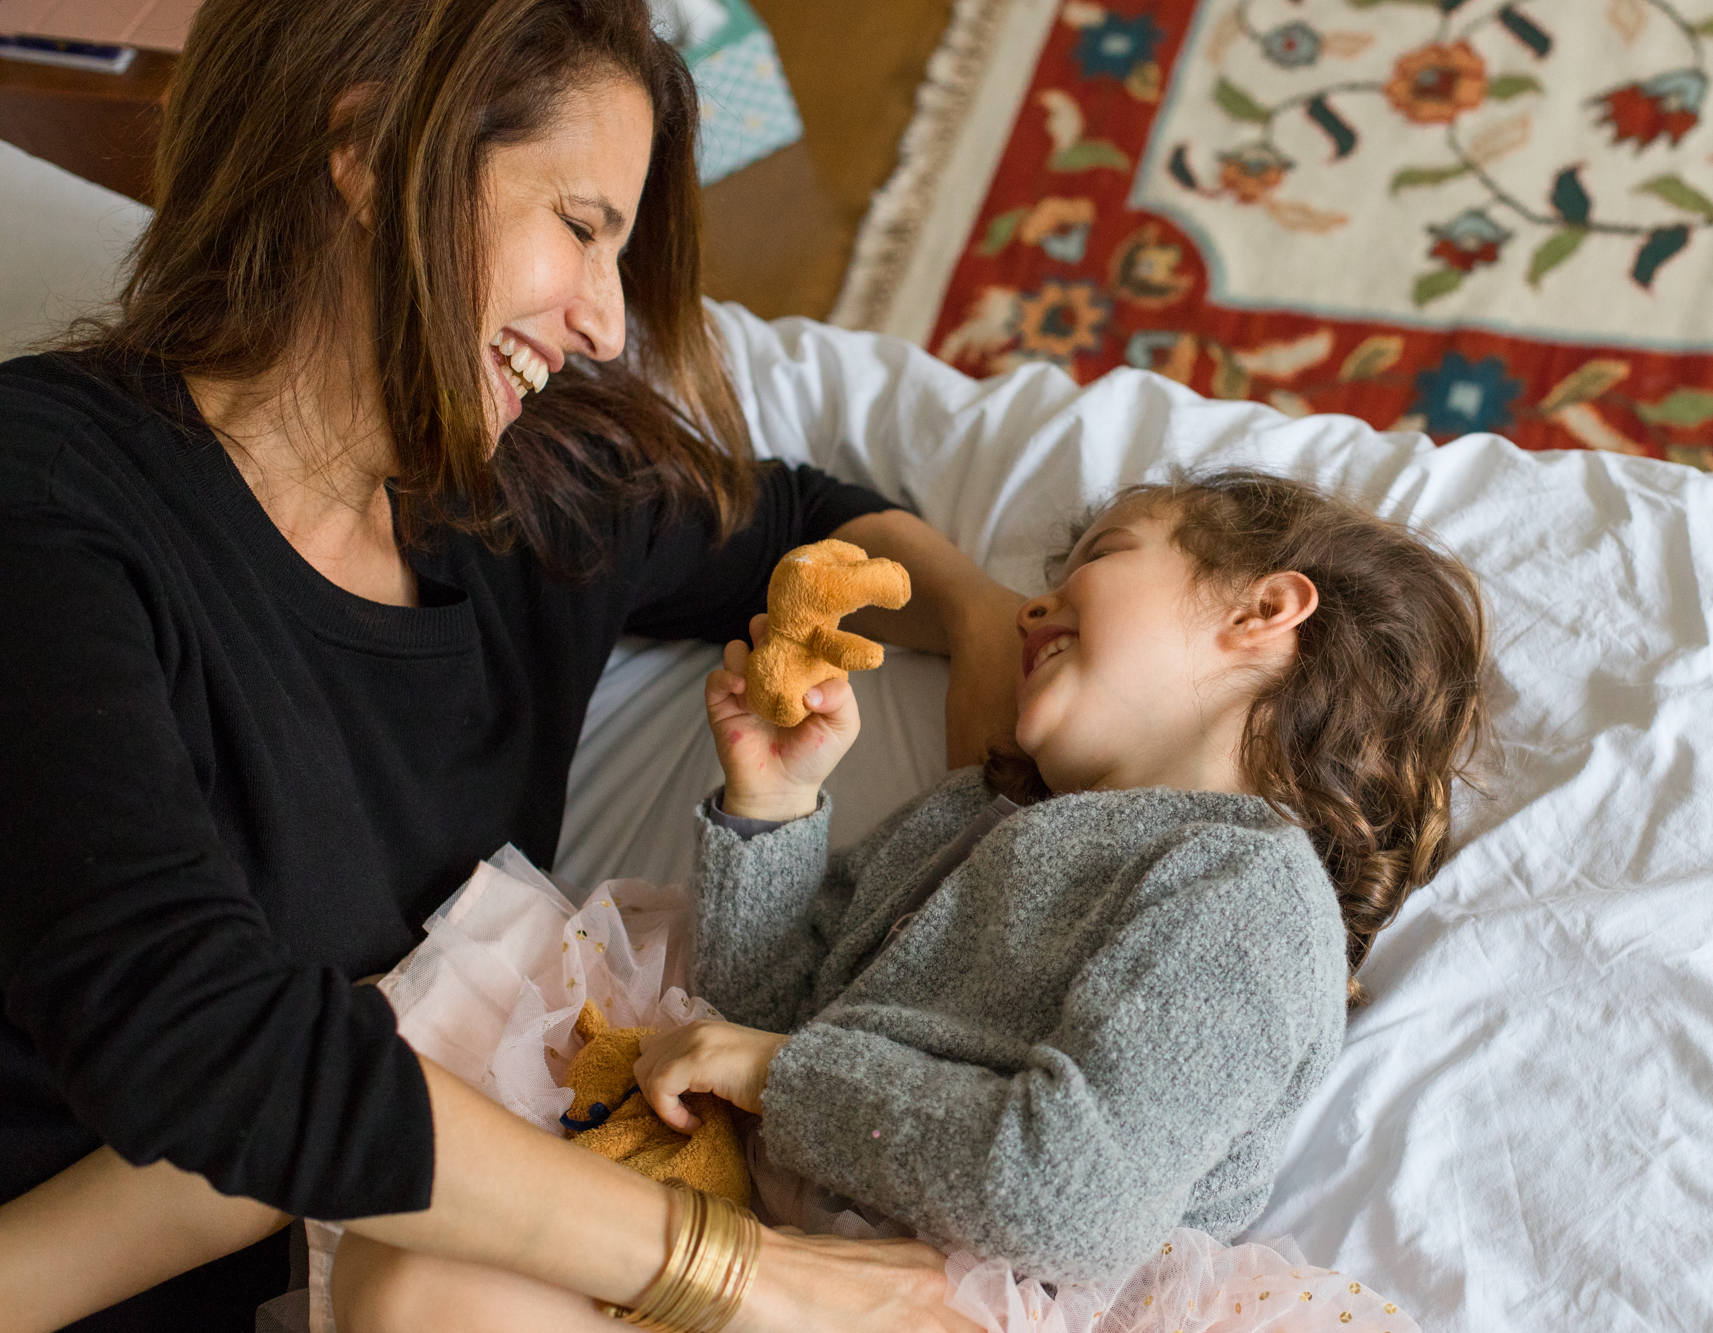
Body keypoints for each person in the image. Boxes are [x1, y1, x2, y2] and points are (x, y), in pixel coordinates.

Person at [0, 1, 1021, 1330]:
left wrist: (991, 618)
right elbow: (200, 1043)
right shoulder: (45, 499)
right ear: (367, 152)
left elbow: (790, 521)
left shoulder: (527, 503)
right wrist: (746, 1274)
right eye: (581, 227)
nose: (603, 322)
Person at [332, 469, 1489, 1329]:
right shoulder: (973, 816)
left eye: (1102, 552)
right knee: (415, 1268)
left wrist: (779, 1073)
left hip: (952, 1295)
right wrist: (773, 811)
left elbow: (1071, 1193)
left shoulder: (1244, 890)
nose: (1038, 608)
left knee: (430, 1282)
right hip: (770, 1230)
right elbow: (760, 1013)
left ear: (1261, 611)